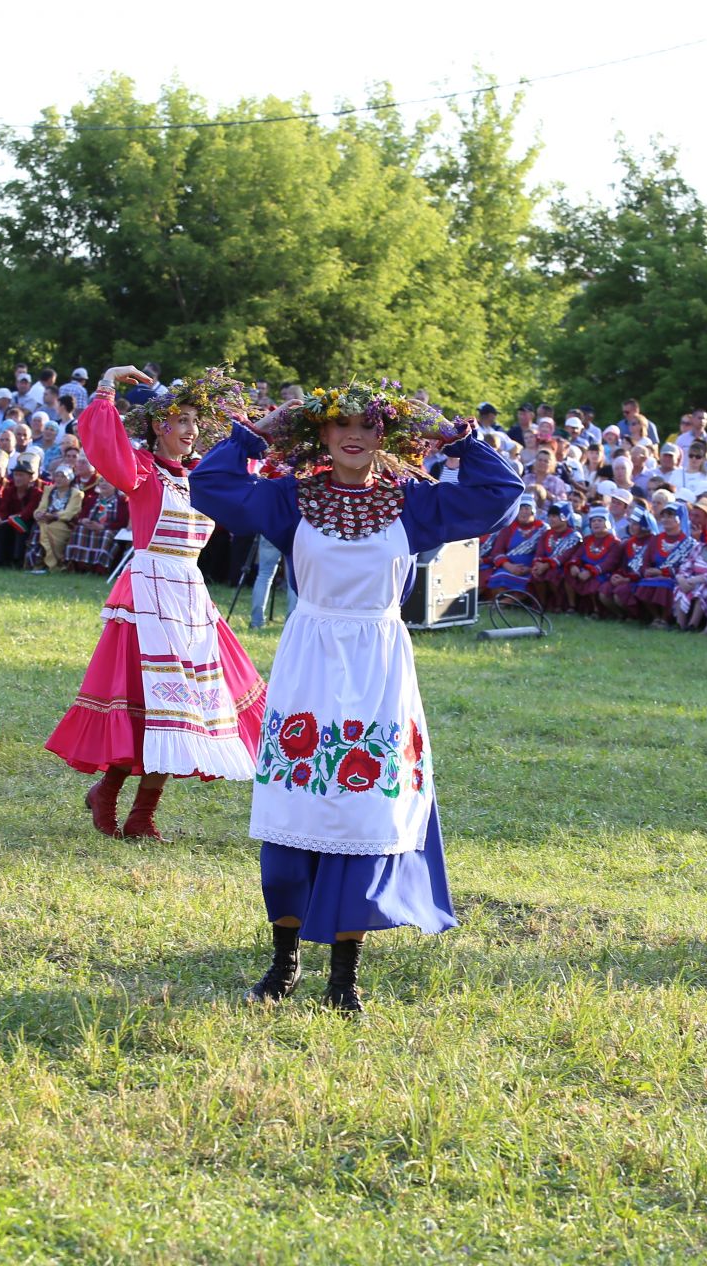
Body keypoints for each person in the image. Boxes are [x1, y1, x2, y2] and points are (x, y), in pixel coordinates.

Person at [191, 379, 519, 1012]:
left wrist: (458, 442)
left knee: (363, 814)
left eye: (368, 425)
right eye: (339, 423)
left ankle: (345, 978)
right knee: (295, 815)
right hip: (310, 659)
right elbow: (213, 487)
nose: (353, 435)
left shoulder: (413, 504)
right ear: (319, 433)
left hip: (378, 665)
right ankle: (283, 964)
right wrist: (255, 438)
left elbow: (499, 494)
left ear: (385, 437)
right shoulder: (290, 498)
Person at [45, 368, 265, 840]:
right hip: (148, 593)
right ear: (158, 425)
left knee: (182, 707)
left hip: (189, 594)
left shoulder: (204, 476)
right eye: (179, 420)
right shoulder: (141, 468)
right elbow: (102, 444)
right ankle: (108, 792)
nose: (188, 430)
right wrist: (106, 384)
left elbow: (249, 477)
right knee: (148, 701)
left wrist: (243, 426)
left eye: (193, 422)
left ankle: (144, 811)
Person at [31, 462, 85, 575]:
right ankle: (43, 564)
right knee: (43, 526)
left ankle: (53, 565)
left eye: (62, 476)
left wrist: (54, 516)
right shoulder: (49, 490)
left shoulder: (76, 494)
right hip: (45, 521)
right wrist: (39, 514)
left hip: (63, 524)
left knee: (48, 528)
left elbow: (69, 513)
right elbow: (42, 507)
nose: (59, 479)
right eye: (57, 476)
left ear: (69, 479)